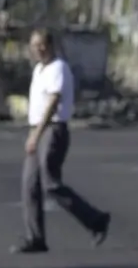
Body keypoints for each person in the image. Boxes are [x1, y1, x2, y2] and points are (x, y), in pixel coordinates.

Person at [13, 28, 111, 254]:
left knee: (50, 183)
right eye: (34, 45)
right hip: (38, 128)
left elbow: (52, 103)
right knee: (29, 186)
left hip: (53, 130)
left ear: (50, 45)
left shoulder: (58, 68)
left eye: (41, 45)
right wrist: (32, 132)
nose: (37, 49)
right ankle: (36, 238)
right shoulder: (39, 69)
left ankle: (96, 220)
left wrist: (37, 134)